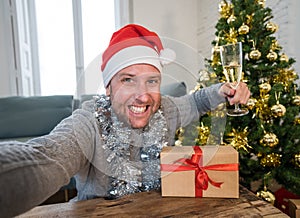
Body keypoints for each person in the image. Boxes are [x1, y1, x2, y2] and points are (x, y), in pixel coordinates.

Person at [0, 24, 250, 217]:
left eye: (151, 81)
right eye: (128, 79)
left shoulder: (166, 108)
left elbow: (197, 102)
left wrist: (223, 91)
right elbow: (46, 158)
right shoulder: (88, 123)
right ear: (108, 88)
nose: (142, 95)